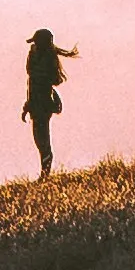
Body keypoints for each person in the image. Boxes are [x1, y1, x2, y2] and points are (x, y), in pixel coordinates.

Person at [22, 27, 79, 177]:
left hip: (41, 104)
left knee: (42, 139)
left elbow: (40, 83)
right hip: (38, 103)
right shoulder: (42, 57)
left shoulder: (44, 60)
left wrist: (29, 104)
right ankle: (44, 173)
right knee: (40, 139)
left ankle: (45, 174)